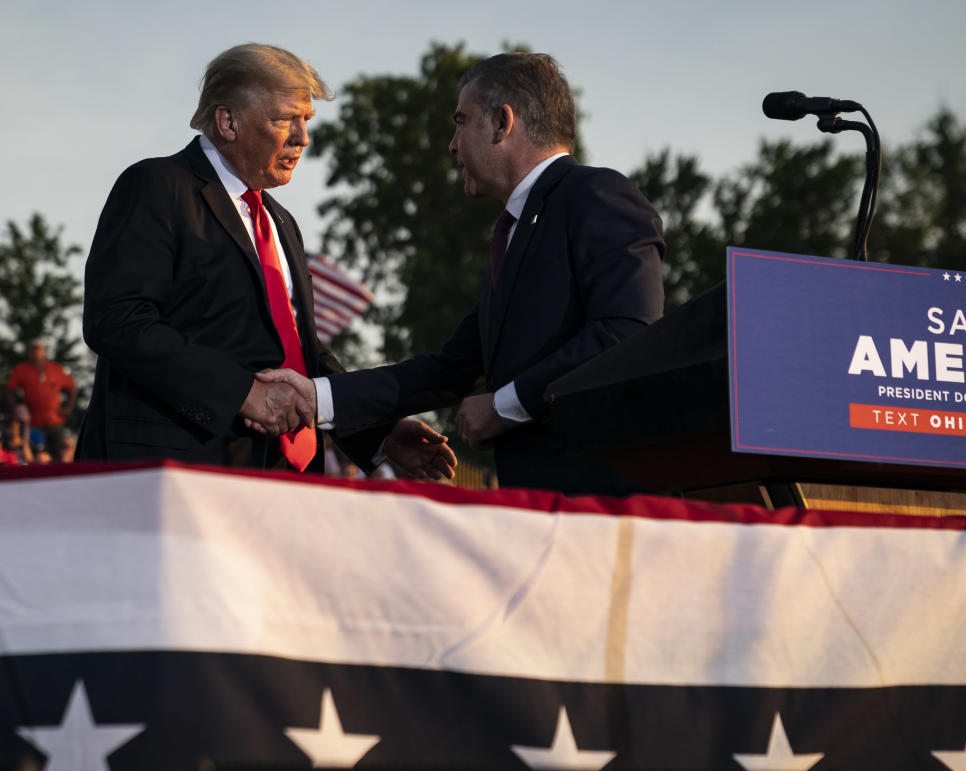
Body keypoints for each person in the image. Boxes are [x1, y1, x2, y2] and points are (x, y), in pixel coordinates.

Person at [262, 52, 664, 495]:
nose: (453, 144)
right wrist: (316, 398)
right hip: (538, 507)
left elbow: (627, 332)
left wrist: (505, 404)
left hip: (600, 506)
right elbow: (449, 370)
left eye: (461, 121)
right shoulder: (514, 232)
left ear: (501, 123)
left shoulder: (597, 195)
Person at [76, 43, 454, 480]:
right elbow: (117, 319)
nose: (303, 137)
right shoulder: (157, 186)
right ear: (227, 121)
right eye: (283, 119)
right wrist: (241, 394)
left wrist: (378, 432)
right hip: (172, 471)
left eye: (306, 120)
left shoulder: (281, 221)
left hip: (282, 476)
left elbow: (298, 349)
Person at [6, 340, 75, 439]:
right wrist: (16, 407)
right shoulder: (21, 369)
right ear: (28, 352)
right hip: (33, 423)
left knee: (58, 452)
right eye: (32, 350)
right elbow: (9, 389)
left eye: (38, 349)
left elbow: (72, 387)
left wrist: (68, 407)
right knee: (36, 452)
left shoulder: (55, 368)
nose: (35, 353)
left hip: (55, 421)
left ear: (43, 351)